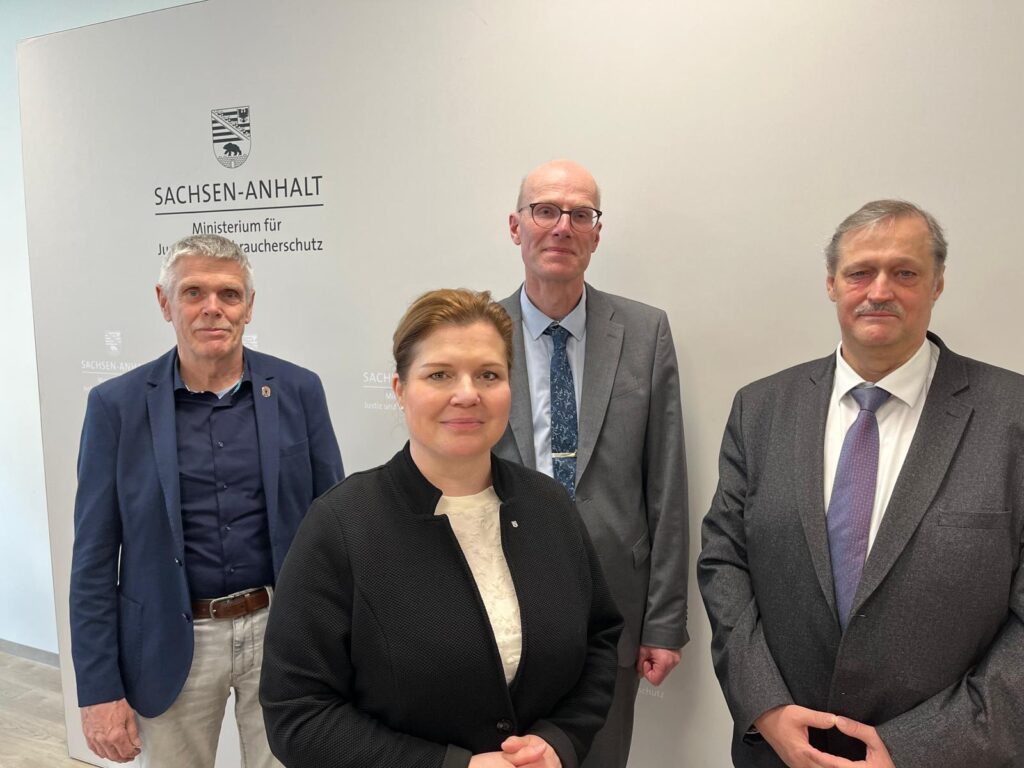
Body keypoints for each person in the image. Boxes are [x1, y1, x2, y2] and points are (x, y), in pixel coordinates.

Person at [698, 200, 1024, 767]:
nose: (879, 291)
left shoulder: (1011, 416)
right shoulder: (762, 409)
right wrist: (766, 707)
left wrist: (916, 748)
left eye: (905, 272)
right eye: (860, 272)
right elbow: (724, 562)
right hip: (782, 752)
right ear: (831, 284)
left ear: (938, 283)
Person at [260, 288, 622, 768]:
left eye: (488, 374)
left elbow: (599, 639)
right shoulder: (341, 526)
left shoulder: (549, 506)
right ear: (399, 389)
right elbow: (297, 714)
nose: (467, 394)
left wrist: (560, 740)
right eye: (439, 374)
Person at [69, 234, 344, 766]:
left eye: (229, 294)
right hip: (172, 641)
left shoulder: (299, 390)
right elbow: (93, 561)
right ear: (164, 302)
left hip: (282, 632)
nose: (212, 308)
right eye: (193, 292)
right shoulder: (115, 407)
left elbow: (333, 531)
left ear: (249, 306)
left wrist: (342, 644)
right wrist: (99, 689)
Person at [494, 160, 689, 768]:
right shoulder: (477, 330)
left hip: (614, 604)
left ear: (597, 233)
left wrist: (664, 621)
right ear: (516, 226)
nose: (562, 226)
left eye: (581, 214)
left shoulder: (644, 331)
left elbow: (667, 483)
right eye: (545, 211)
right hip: (498, 594)